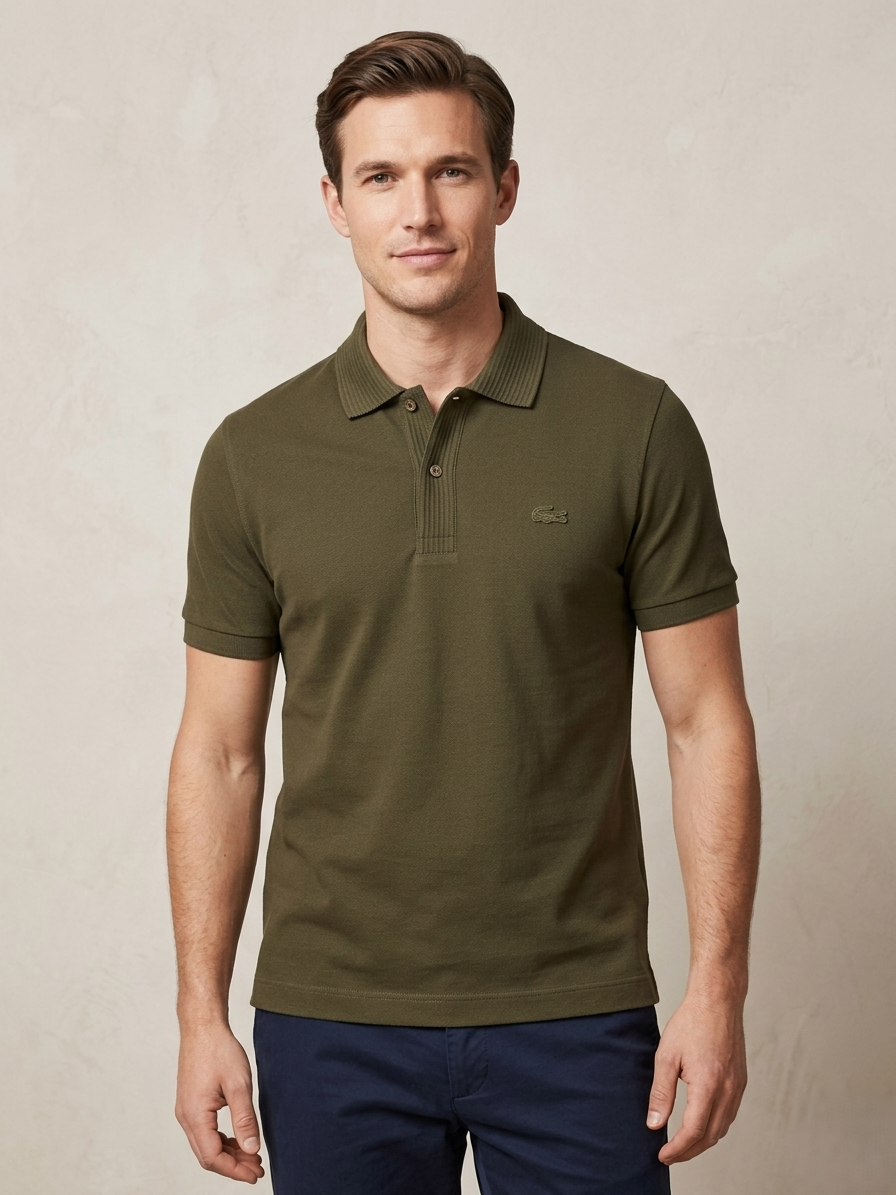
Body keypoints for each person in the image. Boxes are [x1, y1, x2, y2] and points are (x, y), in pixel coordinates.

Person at [166, 29, 761, 1195]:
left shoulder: (633, 426)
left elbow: (705, 724)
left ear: (504, 187)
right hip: (331, 1019)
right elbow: (220, 753)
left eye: (450, 170)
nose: (419, 211)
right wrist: (199, 1013)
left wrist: (717, 989)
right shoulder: (252, 455)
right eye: (380, 177)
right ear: (334, 203)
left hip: (577, 1010)